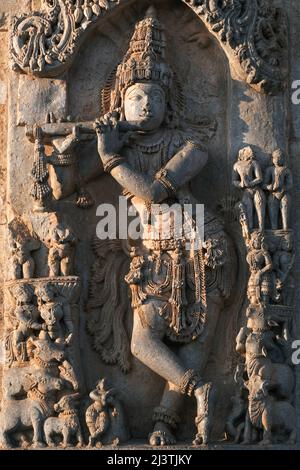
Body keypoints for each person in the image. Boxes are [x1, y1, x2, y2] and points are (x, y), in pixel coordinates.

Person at [92, 6, 235, 446]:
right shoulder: (118, 141)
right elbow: (61, 186)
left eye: (154, 95)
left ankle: (164, 423)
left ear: (168, 100)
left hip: (201, 245)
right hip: (155, 252)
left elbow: (154, 194)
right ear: (120, 99)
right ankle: (186, 404)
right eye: (136, 96)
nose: (146, 103)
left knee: (186, 342)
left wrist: (110, 159)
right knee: (147, 342)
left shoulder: (187, 146)